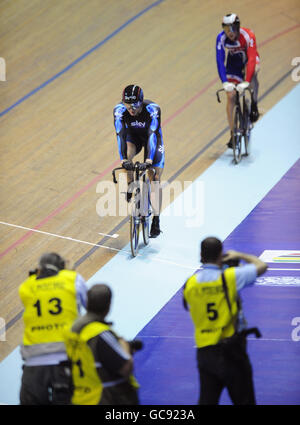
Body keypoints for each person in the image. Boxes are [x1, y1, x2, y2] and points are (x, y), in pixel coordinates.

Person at [183, 237, 268, 405]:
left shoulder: (190, 284)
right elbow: (261, 266)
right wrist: (239, 255)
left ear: (201, 255)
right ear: (221, 255)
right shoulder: (229, 277)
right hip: (231, 351)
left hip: (205, 352)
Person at [19, 252, 88, 405]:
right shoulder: (72, 279)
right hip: (65, 359)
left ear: (39, 269)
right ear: (61, 268)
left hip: (33, 362)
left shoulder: (26, 287)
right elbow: (90, 305)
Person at [64, 284, 140, 405]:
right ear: (108, 306)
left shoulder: (71, 331)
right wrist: (125, 346)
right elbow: (126, 368)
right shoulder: (99, 333)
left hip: (80, 397)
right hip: (105, 398)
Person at [113, 84, 165, 237]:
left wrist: (148, 160)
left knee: (154, 177)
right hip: (132, 138)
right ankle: (131, 185)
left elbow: (152, 134)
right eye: (128, 104)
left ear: (141, 102)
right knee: (127, 157)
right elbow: (120, 135)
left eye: (135, 104)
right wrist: (123, 160)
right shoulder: (119, 111)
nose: (131, 108)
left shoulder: (153, 110)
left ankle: (156, 219)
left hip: (151, 138)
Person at [216, 13, 260, 148]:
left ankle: (253, 103)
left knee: (253, 74)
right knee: (230, 95)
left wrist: (246, 81)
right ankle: (233, 133)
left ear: (238, 27)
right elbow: (219, 60)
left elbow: (252, 58)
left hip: (248, 60)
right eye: (226, 29)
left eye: (232, 28)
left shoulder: (248, 35)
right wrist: (225, 82)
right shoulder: (221, 38)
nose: (229, 32)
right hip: (234, 63)